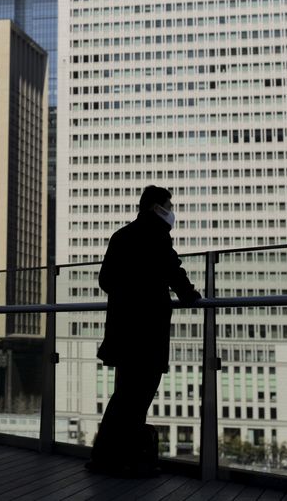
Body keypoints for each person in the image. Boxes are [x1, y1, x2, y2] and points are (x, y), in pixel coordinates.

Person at [87, 185, 201, 477]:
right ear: (156, 207)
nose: (171, 212)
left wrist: (128, 294)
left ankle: (104, 458)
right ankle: (126, 461)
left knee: (123, 396)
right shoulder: (157, 236)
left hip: (123, 332)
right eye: (168, 205)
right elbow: (175, 272)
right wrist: (191, 298)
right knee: (137, 400)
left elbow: (106, 280)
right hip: (147, 332)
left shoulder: (121, 236)